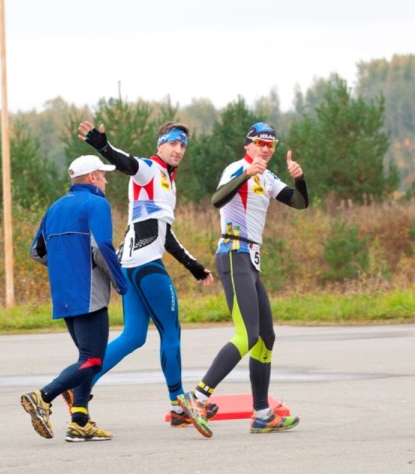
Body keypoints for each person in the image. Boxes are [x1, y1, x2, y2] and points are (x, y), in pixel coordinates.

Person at [76, 120, 216, 428]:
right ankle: (179, 404)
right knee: (171, 331)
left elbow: (163, 232)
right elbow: (127, 163)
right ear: (161, 144)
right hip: (145, 262)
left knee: (133, 336)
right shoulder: (150, 169)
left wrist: (192, 265)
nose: (179, 149)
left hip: (133, 261)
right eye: (174, 143)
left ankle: (79, 384)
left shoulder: (167, 180)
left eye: (183, 145)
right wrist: (102, 146)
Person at [177, 122, 309, 438]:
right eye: (260, 143)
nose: (265, 148)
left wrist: (300, 179)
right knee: (246, 334)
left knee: (266, 336)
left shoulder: (268, 176)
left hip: (250, 259)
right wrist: (246, 175)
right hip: (233, 253)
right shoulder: (237, 168)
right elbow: (217, 199)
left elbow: (300, 203)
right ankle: (197, 397)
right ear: (248, 145)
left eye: (271, 144)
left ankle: (262, 413)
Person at [21, 154, 128, 442]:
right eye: (103, 175)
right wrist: (121, 282)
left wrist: (65, 267)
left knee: (86, 359)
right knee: (93, 361)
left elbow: (37, 251)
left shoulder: (54, 207)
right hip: (88, 291)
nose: (106, 180)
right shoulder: (96, 203)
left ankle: (80, 420)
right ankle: (42, 397)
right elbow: (102, 247)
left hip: (63, 293)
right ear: (92, 177)